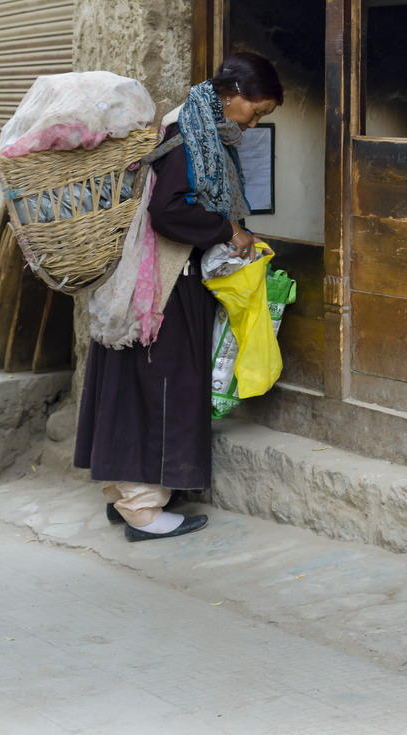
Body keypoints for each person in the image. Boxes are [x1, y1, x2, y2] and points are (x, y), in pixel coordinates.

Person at [74, 52, 282, 542]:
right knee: (160, 389)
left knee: (133, 388)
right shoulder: (188, 140)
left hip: (153, 280)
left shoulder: (195, 132)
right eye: (256, 111)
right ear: (231, 96)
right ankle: (143, 512)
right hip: (162, 286)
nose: (254, 123)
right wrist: (227, 230)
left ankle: (126, 497)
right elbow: (169, 213)